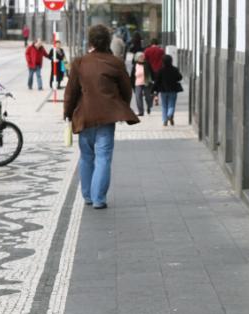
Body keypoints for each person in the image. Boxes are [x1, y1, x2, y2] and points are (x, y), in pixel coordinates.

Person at [63, 24, 140, 210]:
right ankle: (99, 199)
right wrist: (118, 106)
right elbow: (126, 90)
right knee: (103, 157)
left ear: (90, 41)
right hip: (106, 118)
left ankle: (88, 196)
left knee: (86, 156)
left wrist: (67, 113)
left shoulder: (79, 63)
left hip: (85, 117)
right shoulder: (115, 63)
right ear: (107, 41)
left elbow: (71, 92)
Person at [152, 54, 183, 126]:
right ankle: (169, 115)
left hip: (163, 90)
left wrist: (153, 90)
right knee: (171, 104)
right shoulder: (175, 69)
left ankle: (165, 120)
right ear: (171, 61)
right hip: (173, 90)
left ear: (163, 62)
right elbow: (180, 77)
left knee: (164, 105)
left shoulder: (160, 70)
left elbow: (157, 81)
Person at [129, 52, 153, 116]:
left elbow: (152, 72)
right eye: (140, 57)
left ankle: (149, 106)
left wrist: (154, 80)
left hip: (146, 83)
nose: (142, 58)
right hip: (138, 83)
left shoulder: (147, 64)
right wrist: (132, 85)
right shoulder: (135, 65)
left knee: (148, 97)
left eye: (143, 56)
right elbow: (132, 76)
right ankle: (141, 112)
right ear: (137, 58)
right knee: (138, 97)